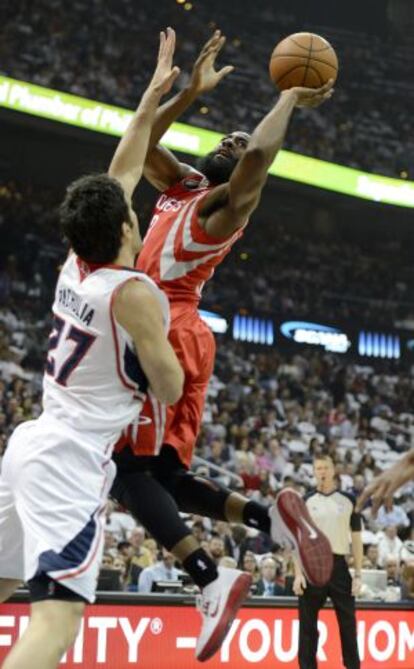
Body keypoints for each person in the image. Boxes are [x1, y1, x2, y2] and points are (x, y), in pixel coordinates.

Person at [111, 29, 334, 662]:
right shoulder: (180, 184)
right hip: (167, 329)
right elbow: (141, 142)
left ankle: (211, 578)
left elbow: (258, 160)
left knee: (124, 471)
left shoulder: (222, 212)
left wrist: (289, 96)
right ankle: (270, 520)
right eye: (225, 138)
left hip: (168, 328)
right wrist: (187, 93)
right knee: (167, 479)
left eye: (237, 147)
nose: (231, 142)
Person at [0, 30, 184, 669]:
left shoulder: (77, 266)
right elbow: (170, 388)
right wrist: (163, 342)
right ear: (128, 228)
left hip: (31, 443)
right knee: (57, 623)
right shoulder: (132, 293)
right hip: (71, 464)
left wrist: (152, 94)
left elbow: (123, 169)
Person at [293, 454, 363, 669]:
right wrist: (297, 574)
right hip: (312, 565)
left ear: (334, 470)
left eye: (325, 467)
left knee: (348, 625)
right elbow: (297, 539)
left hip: (339, 565)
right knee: (307, 626)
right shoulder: (305, 500)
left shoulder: (349, 500)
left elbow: (357, 538)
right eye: (318, 468)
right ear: (314, 472)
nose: (322, 471)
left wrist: (358, 574)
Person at [357, 448, 414, 513]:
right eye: (367, 457)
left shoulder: (376, 469)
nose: (369, 459)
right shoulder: (362, 469)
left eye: (370, 457)